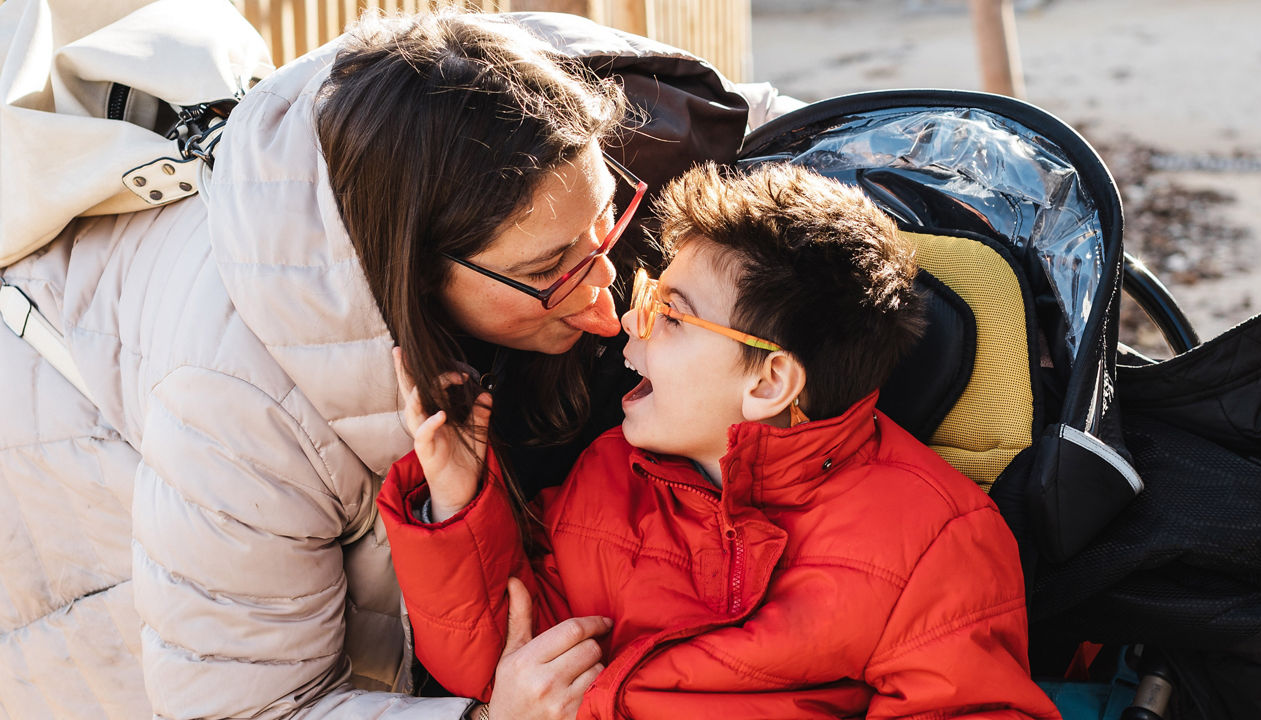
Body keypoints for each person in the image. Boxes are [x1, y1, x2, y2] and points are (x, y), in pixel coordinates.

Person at [0, 7, 752, 718]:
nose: (607, 299)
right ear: (415, 269)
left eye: (604, 223)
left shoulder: (452, 114)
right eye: (551, 269)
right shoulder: (237, 410)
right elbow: (241, 702)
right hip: (64, 482)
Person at [379, 162, 1065, 719]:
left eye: (669, 317)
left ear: (768, 381)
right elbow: (502, 655)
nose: (628, 326)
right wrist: (457, 494)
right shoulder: (608, 477)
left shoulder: (931, 537)